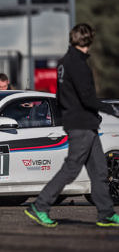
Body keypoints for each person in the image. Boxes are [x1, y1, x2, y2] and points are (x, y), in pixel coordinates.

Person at [24, 23, 119, 227]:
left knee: (100, 171)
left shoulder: (63, 63)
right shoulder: (78, 64)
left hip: (83, 124)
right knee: (71, 169)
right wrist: (110, 109)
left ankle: (106, 213)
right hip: (82, 125)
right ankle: (40, 206)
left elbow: (61, 97)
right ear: (89, 40)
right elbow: (87, 98)